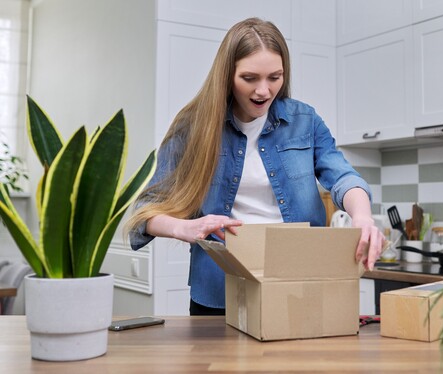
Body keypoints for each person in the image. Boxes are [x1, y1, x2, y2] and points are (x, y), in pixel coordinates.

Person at [127, 17, 385, 316]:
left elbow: (343, 177)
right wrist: (186, 227)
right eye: (250, 78)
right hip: (218, 289)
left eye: (274, 77)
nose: (264, 90)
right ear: (227, 75)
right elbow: (144, 212)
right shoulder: (192, 127)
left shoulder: (305, 121)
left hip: (298, 282)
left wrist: (363, 217)